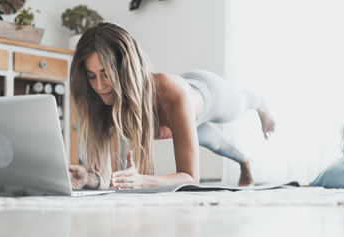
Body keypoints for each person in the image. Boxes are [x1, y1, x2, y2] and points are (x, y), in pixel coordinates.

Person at [68, 22, 275, 190]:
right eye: (91, 76)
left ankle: (261, 103)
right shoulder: (103, 101)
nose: (99, 85)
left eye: (106, 73)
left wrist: (142, 180)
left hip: (209, 93)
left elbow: (190, 177)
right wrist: (88, 178)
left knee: (240, 104)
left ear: (124, 69)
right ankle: (245, 161)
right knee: (215, 142)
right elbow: (105, 179)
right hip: (181, 116)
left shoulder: (172, 93)